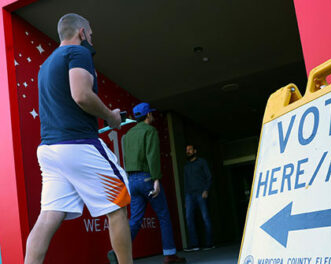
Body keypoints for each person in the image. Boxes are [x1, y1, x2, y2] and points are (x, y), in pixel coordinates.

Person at [24, 14, 133, 264]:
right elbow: (81, 95)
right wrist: (111, 117)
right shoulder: (78, 53)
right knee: (118, 205)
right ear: (82, 32)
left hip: (50, 151)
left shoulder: (46, 64)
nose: (92, 38)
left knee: (48, 217)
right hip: (78, 146)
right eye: (91, 34)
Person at [116, 102, 186, 264]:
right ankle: (170, 255)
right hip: (147, 178)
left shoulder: (129, 134)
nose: (153, 115)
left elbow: (126, 159)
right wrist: (156, 179)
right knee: (163, 216)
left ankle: (117, 252)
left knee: (135, 220)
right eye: (151, 113)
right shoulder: (150, 131)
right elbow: (152, 156)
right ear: (148, 115)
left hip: (132, 180)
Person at [183, 145, 214, 252]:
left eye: (190, 150)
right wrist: (185, 199)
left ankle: (209, 243)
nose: (188, 151)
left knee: (205, 217)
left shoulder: (202, 162)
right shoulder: (186, 166)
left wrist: (206, 190)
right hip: (189, 195)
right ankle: (194, 244)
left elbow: (209, 176)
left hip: (201, 193)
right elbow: (185, 183)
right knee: (189, 218)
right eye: (187, 150)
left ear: (195, 151)